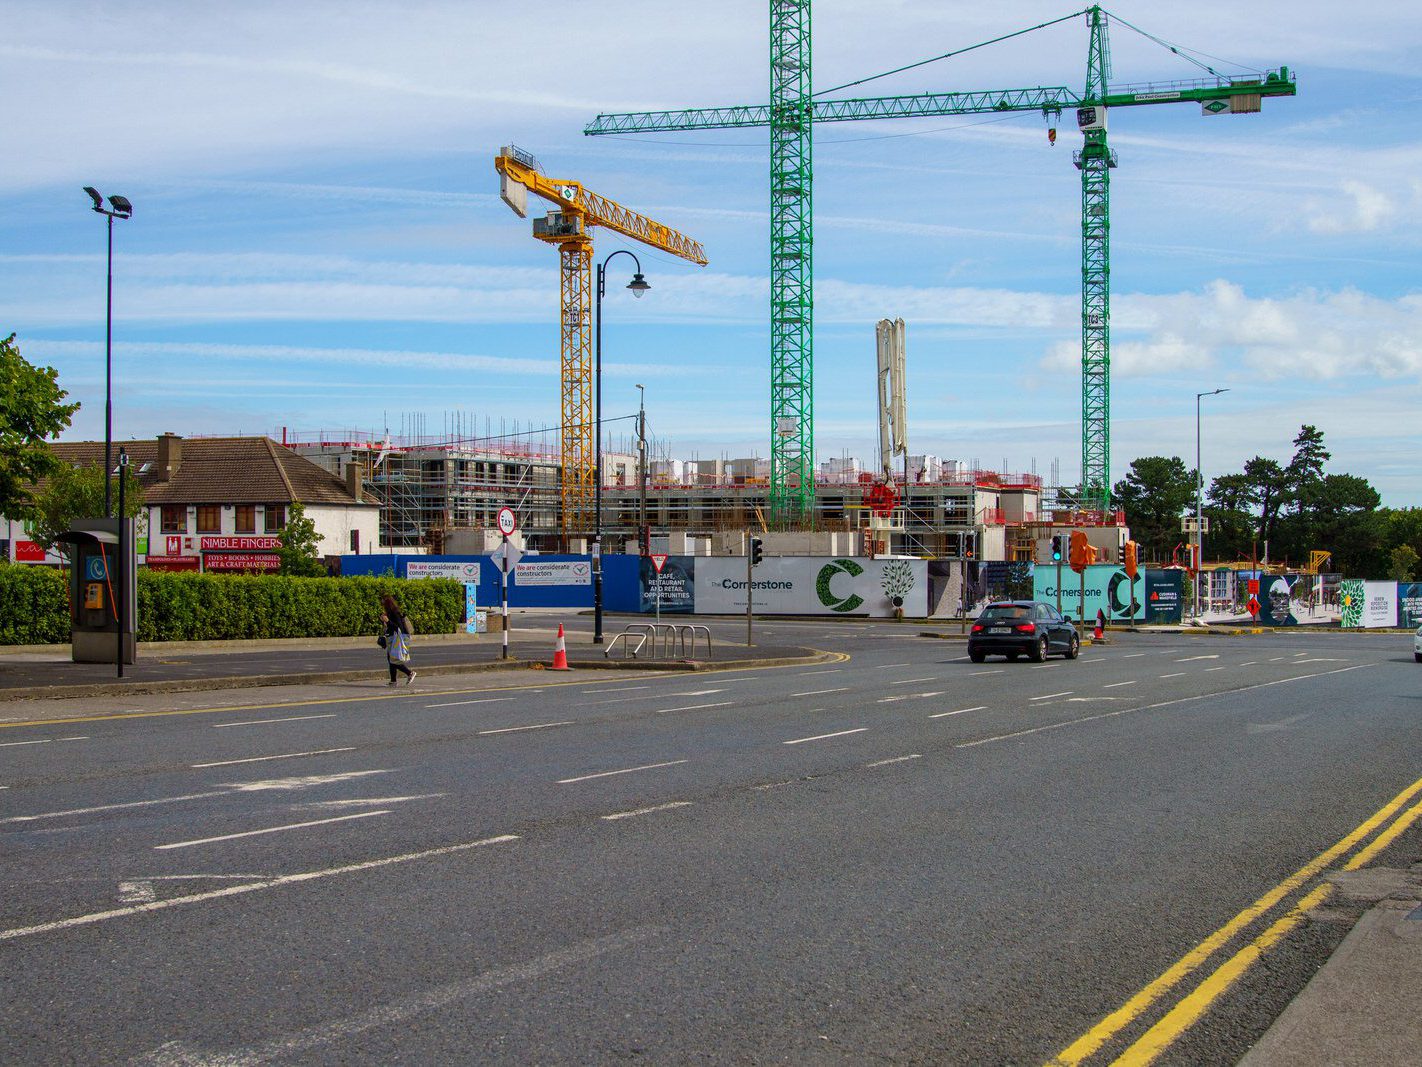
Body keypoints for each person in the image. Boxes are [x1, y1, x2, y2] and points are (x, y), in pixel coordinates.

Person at [379, 593, 416, 686]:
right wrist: (384, 621)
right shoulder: (390, 613)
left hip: (396, 639)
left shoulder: (395, 613)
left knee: (393, 660)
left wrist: (388, 621)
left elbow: (398, 627)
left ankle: (409, 673)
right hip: (391, 638)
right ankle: (393, 681)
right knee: (391, 659)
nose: (382, 606)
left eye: (383, 604)